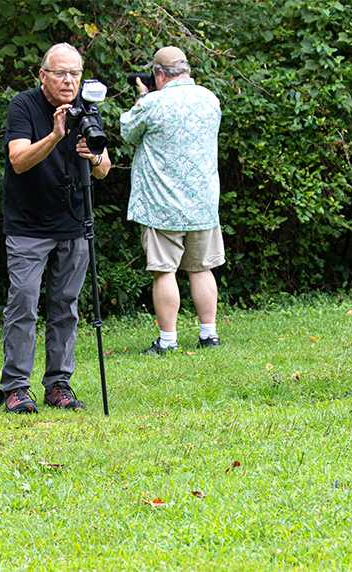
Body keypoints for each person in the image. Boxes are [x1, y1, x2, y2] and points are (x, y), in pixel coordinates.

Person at [0, 42, 111, 413]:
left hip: (75, 222)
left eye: (75, 73)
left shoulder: (87, 108)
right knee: (24, 303)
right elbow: (18, 160)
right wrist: (54, 135)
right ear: (43, 75)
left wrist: (94, 156)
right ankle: (16, 386)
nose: (68, 80)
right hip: (28, 224)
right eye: (61, 73)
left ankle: (58, 384)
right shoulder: (24, 106)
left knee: (66, 305)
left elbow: (104, 167)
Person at [119, 46, 224, 355]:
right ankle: (209, 334)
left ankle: (168, 340)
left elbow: (128, 131)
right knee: (201, 269)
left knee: (164, 272)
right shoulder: (210, 100)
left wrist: (143, 97)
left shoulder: (152, 103)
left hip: (161, 203)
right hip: (203, 203)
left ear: (159, 74)